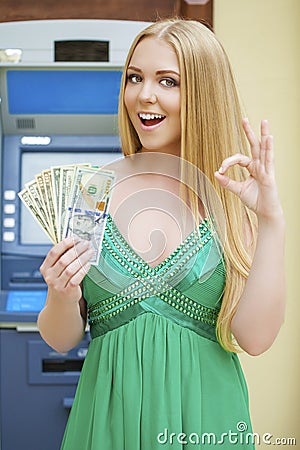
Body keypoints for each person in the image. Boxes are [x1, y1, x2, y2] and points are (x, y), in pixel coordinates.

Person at [37, 18, 285, 449]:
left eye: (167, 81)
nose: (143, 95)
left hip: (208, 422)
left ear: (204, 95)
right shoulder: (93, 191)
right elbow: (61, 338)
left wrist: (272, 221)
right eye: (135, 77)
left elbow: (256, 338)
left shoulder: (230, 200)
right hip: (108, 422)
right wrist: (59, 294)